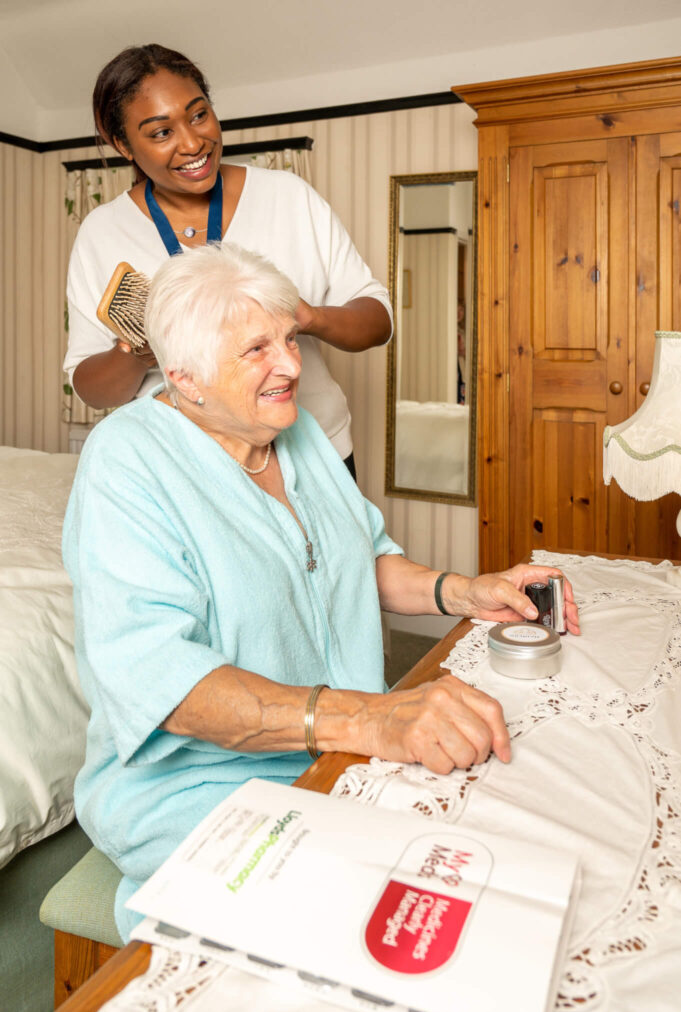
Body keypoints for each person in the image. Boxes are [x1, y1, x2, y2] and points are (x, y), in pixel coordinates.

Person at [62, 242, 580, 942]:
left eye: (288, 338)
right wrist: (368, 720)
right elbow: (164, 685)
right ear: (184, 377)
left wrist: (464, 591)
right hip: (199, 785)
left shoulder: (296, 431)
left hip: (334, 746)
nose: (290, 365)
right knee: (375, 928)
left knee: (502, 855)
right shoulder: (127, 464)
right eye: (256, 350)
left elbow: (350, 559)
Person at [63, 43, 392, 475]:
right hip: (185, 468)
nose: (193, 142)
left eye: (199, 115)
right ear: (124, 145)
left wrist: (308, 317)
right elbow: (91, 388)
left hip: (314, 456)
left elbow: (378, 321)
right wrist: (138, 351)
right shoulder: (102, 231)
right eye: (161, 132)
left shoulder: (288, 196)